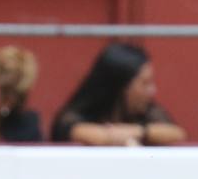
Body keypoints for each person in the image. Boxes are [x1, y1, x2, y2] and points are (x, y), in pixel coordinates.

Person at [50, 42, 184, 147]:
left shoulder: (145, 111)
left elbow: (176, 133)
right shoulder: (72, 118)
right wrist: (118, 137)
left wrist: (136, 131)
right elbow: (80, 132)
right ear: (121, 86)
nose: (152, 90)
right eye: (145, 83)